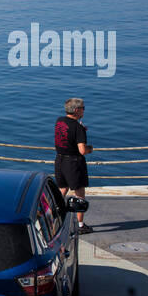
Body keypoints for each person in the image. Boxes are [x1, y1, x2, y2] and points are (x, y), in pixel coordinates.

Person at [53, 97, 94, 232]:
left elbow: (67, 133)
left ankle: (51, 217)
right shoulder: (78, 128)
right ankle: (80, 225)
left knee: (61, 190)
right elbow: (82, 150)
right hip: (74, 163)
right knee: (79, 194)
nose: (84, 110)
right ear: (77, 110)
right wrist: (90, 148)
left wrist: (79, 130)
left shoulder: (60, 121)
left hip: (60, 160)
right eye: (83, 108)